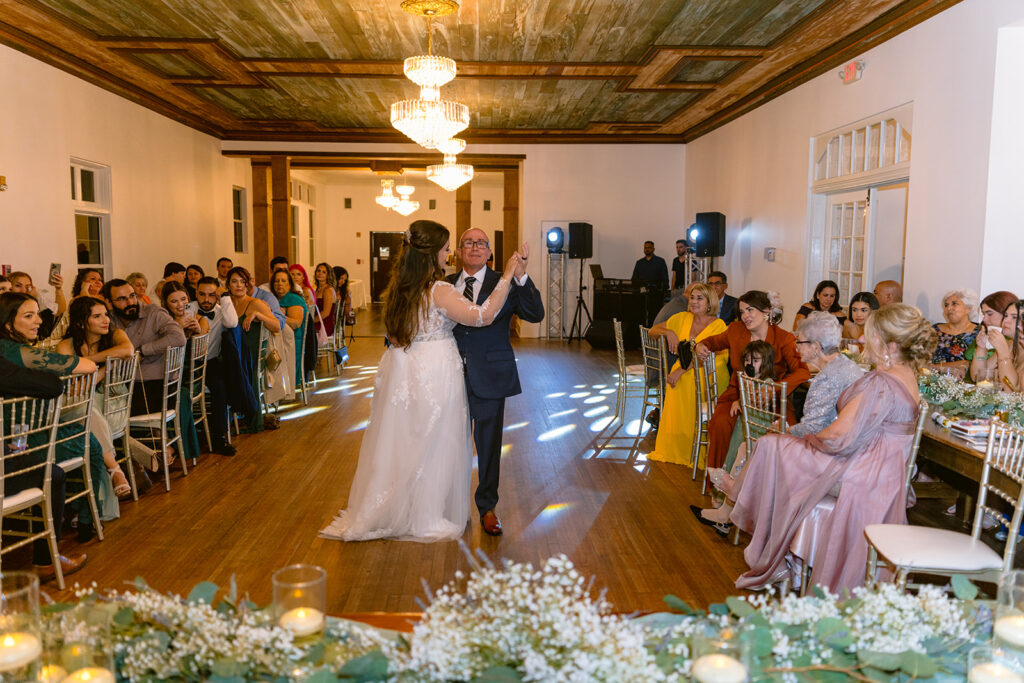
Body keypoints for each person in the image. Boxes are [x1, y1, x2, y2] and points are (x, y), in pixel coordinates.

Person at [320, 220, 525, 542]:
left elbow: (394, 337)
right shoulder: (439, 289)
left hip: (411, 372)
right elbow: (482, 315)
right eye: (446, 250)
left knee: (412, 441)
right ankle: (424, 513)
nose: (449, 257)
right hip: (437, 372)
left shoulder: (400, 290)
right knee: (436, 442)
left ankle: (402, 506)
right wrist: (509, 275)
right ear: (431, 255)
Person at [725, 303, 935, 592]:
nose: (861, 340)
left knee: (772, 448)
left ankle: (776, 554)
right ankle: (781, 549)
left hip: (861, 476)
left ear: (890, 344)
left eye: (868, 335)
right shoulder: (907, 376)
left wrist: (806, 441)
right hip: (884, 476)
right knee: (779, 453)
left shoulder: (882, 381)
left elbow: (838, 435)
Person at [699, 313, 865, 526]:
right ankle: (731, 503)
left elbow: (816, 427)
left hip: (829, 451)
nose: (796, 347)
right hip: (840, 443)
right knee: (750, 445)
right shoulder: (844, 364)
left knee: (762, 444)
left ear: (816, 347)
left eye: (800, 342)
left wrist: (787, 430)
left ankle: (736, 494)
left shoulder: (828, 378)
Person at [448, 228, 544, 535]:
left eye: (481, 243)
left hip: (489, 375)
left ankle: (487, 507)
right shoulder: (445, 285)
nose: (474, 247)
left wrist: (521, 277)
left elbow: (535, 314)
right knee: (448, 441)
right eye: (468, 243)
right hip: (448, 374)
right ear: (459, 251)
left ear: (490, 252)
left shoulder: (504, 283)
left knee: (488, 446)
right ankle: (449, 504)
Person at [0, 291, 96, 578]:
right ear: (7, 325)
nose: (38, 321)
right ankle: (45, 560)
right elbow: (53, 386)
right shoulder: (9, 353)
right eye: (28, 316)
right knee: (51, 473)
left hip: (13, 444)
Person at [695, 290, 810, 474]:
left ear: (766, 312)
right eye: (742, 312)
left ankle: (772, 483)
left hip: (770, 399)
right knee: (720, 422)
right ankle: (718, 480)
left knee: (789, 429)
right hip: (737, 393)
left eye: (750, 310)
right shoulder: (735, 331)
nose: (745, 316)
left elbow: (802, 371)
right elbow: (711, 342)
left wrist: (774, 389)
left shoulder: (784, 338)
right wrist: (700, 345)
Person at [56, 296, 136, 499]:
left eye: (106, 315)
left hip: (113, 405)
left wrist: (88, 363)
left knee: (88, 411)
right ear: (81, 322)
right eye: (97, 316)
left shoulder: (116, 335)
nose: (106, 320)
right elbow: (74, 390)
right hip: (76, 404)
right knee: (85, 409)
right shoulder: (66, 345)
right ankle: (115, 469)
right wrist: (103, 368)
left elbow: (128, 350)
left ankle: (103, 481)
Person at [647, 283, 729, 467]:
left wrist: (681, 370)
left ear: (710, 302)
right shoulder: (681, 318)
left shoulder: (718, 325)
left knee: (683, 381)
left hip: (707, 374)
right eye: (692, 297)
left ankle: (698, 452)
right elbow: (652, 331)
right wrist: (668, 332)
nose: (694, 301)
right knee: (676, 384)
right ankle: (678, 448)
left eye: (699, 298)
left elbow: (712, 357)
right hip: (682, 370)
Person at [103, 278, 186, 417]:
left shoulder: (153, 313)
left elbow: (178, 337)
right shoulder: (109, 320)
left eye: (132, 296)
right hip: (123, 384)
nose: (130, 302)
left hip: (155, 386)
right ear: (109, 303)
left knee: (108, 412)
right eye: (122, 299)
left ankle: (130, 436)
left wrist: (143, 350)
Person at [194, 276, 242, 454]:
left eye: (211, 295)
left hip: (211, 362)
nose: (206, 299)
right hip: (186, 364)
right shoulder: (188, 309)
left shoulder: (223, 311)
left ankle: (219, 437)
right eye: (202, 294)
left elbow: (233, 323)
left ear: (217, 295)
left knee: (220, 387)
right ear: (196, 293)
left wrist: (225, 297)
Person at [967, 290, 1019, 387]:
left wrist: (1003, 350)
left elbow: (1010, 388)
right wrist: (981, 348)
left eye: (989, 314)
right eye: (983, 314)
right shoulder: (1009, 343)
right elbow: (977, 377)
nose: (984, 319)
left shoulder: (1008, 343)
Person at [929, 289, 980, 378]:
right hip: (932, 380)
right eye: (946, 305)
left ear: (969, 308)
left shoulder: (979, 332)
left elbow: (974, 364)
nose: (949, 308)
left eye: (954, 304)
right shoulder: (934, 330)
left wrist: (936, 367)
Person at [271, 269, 307, 386]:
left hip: (292, 342)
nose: (279, 284)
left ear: (289, 284)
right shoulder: (275, 298)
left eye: (283, 281)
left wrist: (278, 315)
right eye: (276, 281)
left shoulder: (293, 298)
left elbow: (296, 323)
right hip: (279, 339)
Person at [9, 270, 66, 339]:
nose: (23, 290)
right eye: (18, 286)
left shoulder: (36, 301)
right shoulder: (6, 307)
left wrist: (58, 289)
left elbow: (59, 310)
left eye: (27, 287)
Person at [311, 263, 337, 336]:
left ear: (328, 275)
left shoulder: (328, 290)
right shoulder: (318, 289)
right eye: (318, 271)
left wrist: (311, 321)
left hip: (324, 325)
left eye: (324, 272)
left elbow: (326, 313)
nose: (320, 273)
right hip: (319, 321)